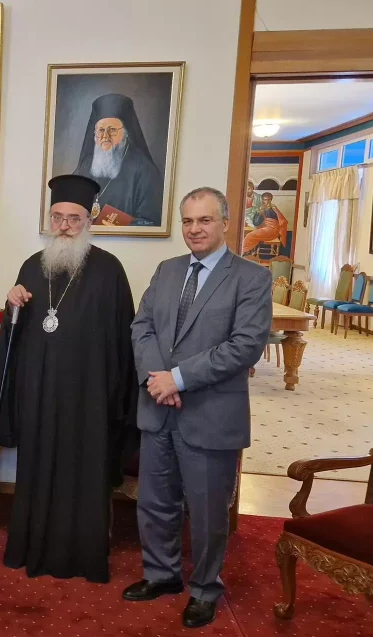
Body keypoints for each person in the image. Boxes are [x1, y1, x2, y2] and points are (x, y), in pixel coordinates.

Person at [125, 187, 271, 629]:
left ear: (225, 222)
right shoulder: (167, 270)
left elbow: (245, 346)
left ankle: (206, 589)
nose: (195, 229)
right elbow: (142, 326)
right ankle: (161, 575)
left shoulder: (251, 277)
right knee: (155, 502)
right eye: (188, 221)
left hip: (211, 414)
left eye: (204, 220)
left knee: (207, 513)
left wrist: (179, 378)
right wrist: (158, 380)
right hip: (158, 408)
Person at [0, 174, 138, 583]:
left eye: (74, 218)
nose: (64, 226)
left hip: (88, 400)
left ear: (89, 221)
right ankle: (32, 548)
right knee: (38, 471)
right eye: (57, 217)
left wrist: (113, 399)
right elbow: (17, 335)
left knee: (83, 473)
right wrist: (13, 305)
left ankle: (82, 555)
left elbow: (124, 341)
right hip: (39, 396)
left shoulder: (109, 270)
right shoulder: (32, 266)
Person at [72, 93, 162, 226]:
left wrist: (120, 226)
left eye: (112, 130)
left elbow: (152, 221)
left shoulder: (144, 169)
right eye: (100, 130)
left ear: (126, 133)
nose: (105, 136)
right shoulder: (86, 165)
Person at [241, 191, 288, 256]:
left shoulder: (273, 209)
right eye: (265, 200)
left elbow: (283, 221)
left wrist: (260, 212)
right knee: (251, 235)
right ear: (262, 200)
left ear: (271, 200)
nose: (267, 202)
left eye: (269, 200)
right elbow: (256, 223)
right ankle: (248, 251)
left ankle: (243, 251)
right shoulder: (264, 208)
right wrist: (259, 212)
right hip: (268, 230)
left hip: (272, 231)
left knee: (249, 236)